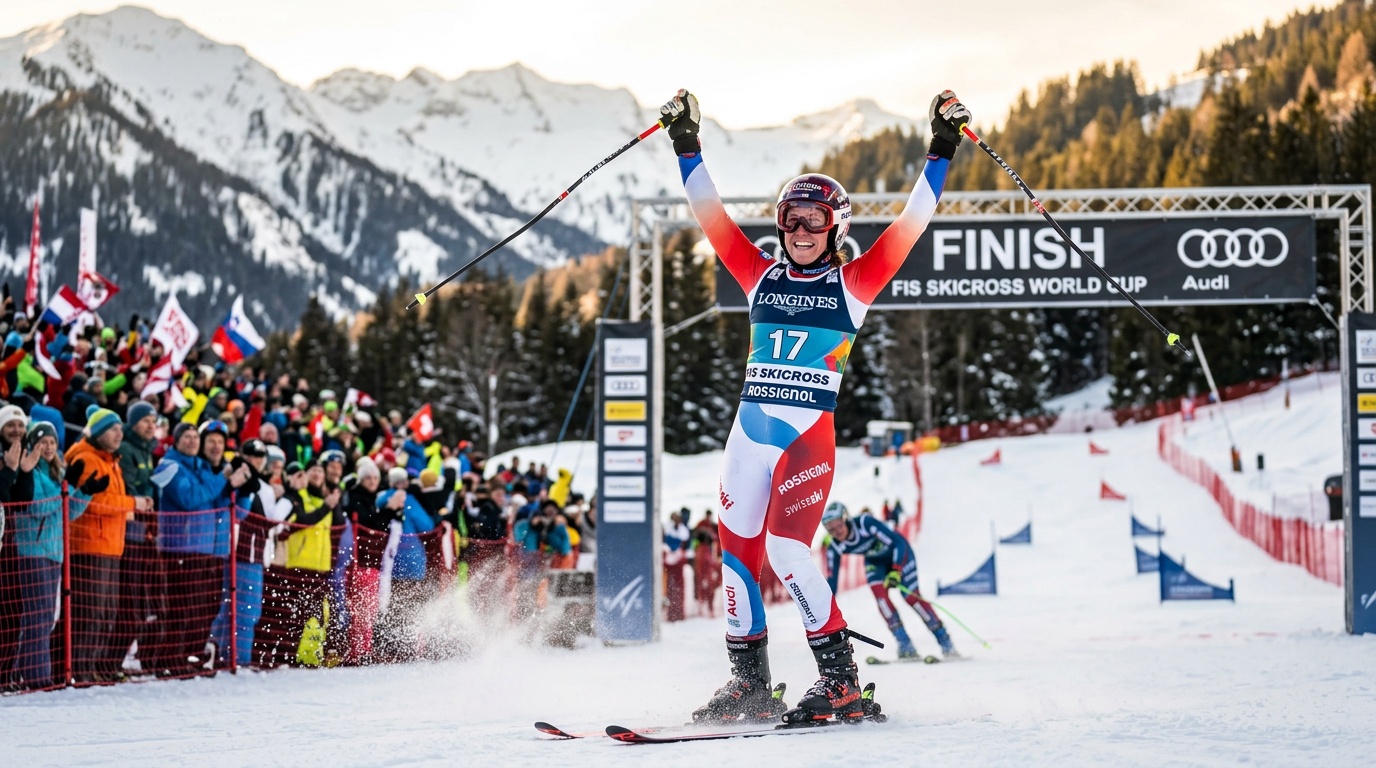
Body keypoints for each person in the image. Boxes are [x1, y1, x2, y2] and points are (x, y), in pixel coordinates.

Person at [660, 87, 969, 722]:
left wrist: (940, 147)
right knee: (737, 555)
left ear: (836, 228)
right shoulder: (759, 275)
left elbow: (912, 222)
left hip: (806, 437)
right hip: (747, 437)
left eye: (814, 222)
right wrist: (686, 144)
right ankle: (749, 685)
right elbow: (711, 215)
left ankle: (842, 684)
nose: (800, 232)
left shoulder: (854, 283)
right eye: (791, 221)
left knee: (788, 550)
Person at [66, 406, 153, 682]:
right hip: (89, 545)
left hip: (109, 545)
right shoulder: (87, 458)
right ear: (100, 432)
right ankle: (79, 671)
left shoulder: (110, 460)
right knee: (90, 613)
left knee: (105, 613)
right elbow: (96, 503)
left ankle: (90, 668)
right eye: (113, 429)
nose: (119, 433)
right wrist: (133, 503)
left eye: (119, 428)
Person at [822, 501, 955, 660]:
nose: (837, 532)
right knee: (882, 600)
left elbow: (898, 542)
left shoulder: (865, 523)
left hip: (899, 555)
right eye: (831, 529)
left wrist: (897, 569)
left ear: (846, 520)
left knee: (912, 598)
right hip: (875, 563)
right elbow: (832, 582)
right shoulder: (835, 547)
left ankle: (945, 642)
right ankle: (905, 645)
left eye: (838, 526)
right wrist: (825, 607)